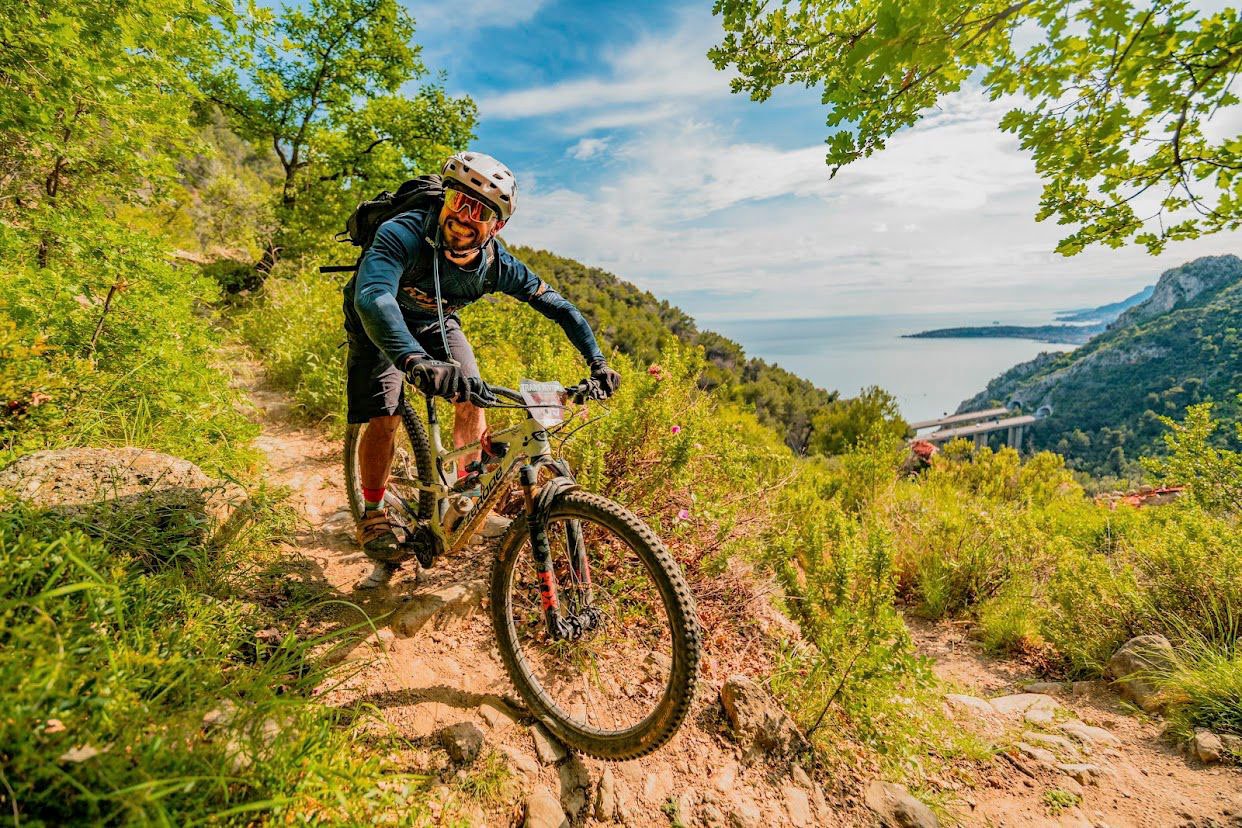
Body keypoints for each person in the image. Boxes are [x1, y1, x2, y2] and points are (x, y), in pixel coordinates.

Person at [342, 151, 620, 590]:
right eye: (457, 200)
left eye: (480, 211)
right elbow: (374, 297)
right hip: (380, 321)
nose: (463, 217)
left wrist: (597, 361)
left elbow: (559, 308)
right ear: (445, 200)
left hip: (436, 319)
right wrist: (413, 360)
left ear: (497, 225)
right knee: (385, 414)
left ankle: (463, 494)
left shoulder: (497, 265)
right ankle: (373, 512)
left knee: (472, 394)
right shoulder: (404, 232)